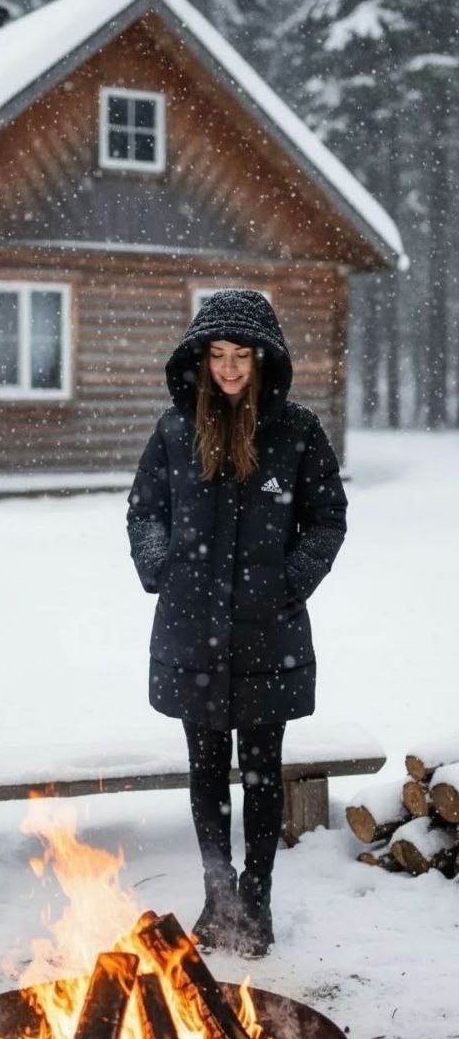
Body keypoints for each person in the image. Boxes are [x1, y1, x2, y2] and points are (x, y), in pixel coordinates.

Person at [127, 289, 347, 957]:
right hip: (192, 631)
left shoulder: (298, 431)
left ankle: (257, 899)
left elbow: (327, 519)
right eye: (217, 355)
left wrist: (288, 582)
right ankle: (217, 897)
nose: (227, 368)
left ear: (262, 358)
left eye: (240, 355)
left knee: (260, 769)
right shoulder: (174, 429)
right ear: (202, 358)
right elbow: (145, 511)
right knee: (203, 769)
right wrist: (162, 566)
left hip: (266, 632)